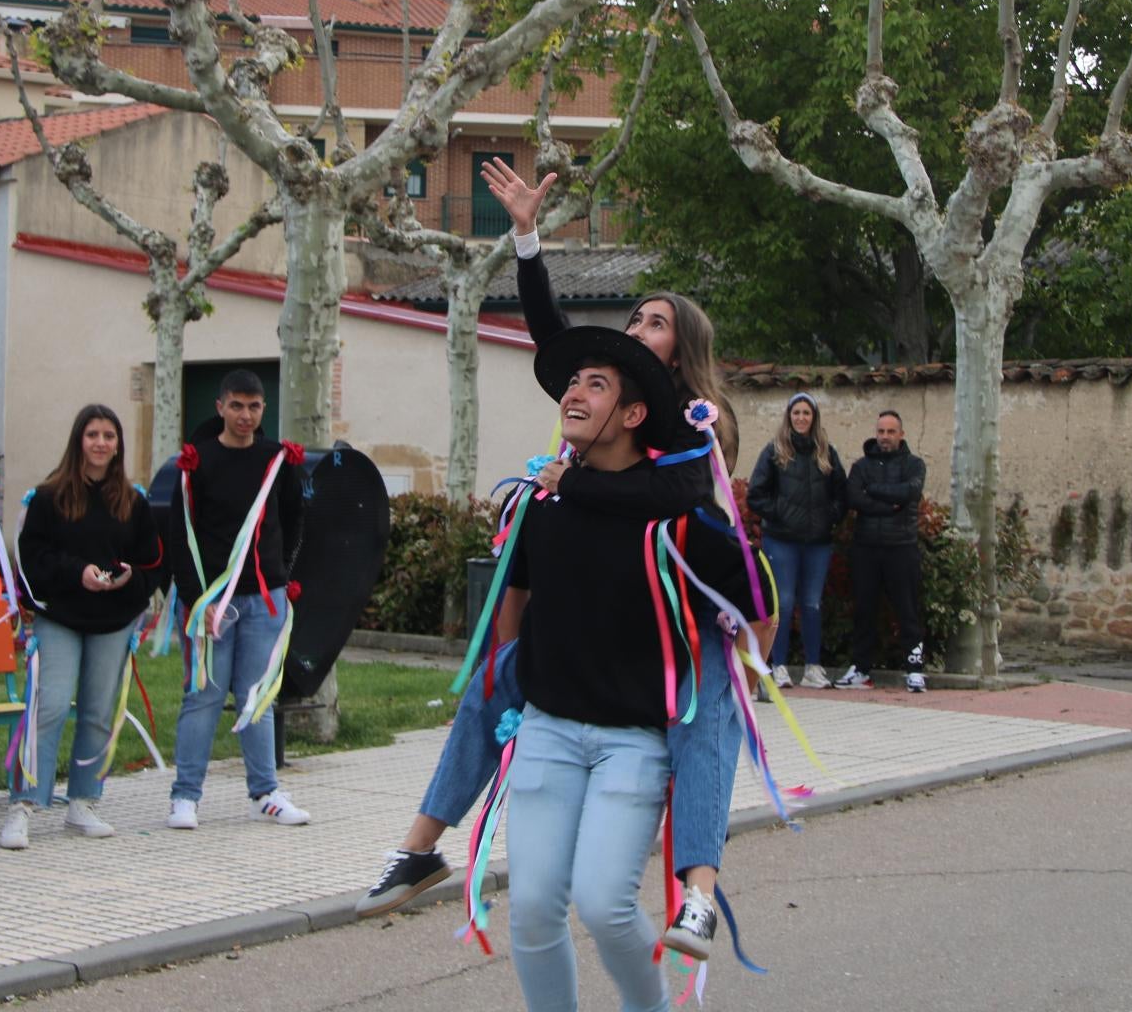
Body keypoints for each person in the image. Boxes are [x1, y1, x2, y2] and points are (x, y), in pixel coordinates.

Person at [358, 162, 749, 962]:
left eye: (653, 323)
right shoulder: (598, 408)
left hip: (687, 609)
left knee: (705, 723)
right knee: (496, 679)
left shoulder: (702, 422)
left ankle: (699, 896)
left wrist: (568, 486)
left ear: (682, 350)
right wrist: (527, 239)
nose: (636, 328)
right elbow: (551, 335)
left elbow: (673, 505)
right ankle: (420, 845)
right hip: (597, 600)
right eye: (634, 318)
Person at [502, 326, 775, 1012]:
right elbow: (515, 597)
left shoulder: (680, 521)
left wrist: (733, 690)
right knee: (532, 906)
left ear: (631, 416)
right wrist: (505, 685)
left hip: (633, 741)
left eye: (596, 384)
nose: (573, 391)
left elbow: (758, 602)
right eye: (571, 382)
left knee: (602, 902)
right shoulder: (542, 502)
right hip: (547, 733)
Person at [0, 405, 164, 850]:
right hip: (61, 617)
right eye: (93, 434)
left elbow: (153, 562)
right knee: (50, 705)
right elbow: (32, 560)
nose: (101, 443)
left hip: (113, 621)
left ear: (118, 445)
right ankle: (23, 804)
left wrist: (130, 580)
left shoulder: (134, 501)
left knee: (98, 710)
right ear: (78, 441)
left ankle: (84, 801)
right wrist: (79, 573)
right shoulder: (49, 497)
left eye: (109, 436)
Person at [165, 370, 311, 829]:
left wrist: (280, 576)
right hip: (213, 603)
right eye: (237, 406)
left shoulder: (277, 461)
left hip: (264, 601)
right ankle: (185, 796)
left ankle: (265, 792)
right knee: (203, 697)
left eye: (254, 407)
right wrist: (195, 599)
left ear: (263, 410)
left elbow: (292, 519)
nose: (245, 416)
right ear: (220, 407)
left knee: (257, 697)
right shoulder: (198, 462)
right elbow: (179, 535)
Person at [746, 392, 847, 690]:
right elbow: (756, 494)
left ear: (814, 417)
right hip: (782, 540)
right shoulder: (775, 452)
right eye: (796, 413)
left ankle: (813, 667)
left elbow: (842, 495)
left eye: (806, 413)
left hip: (818, 542)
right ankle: (778, 666)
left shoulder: (827, 452)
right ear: (789, 416)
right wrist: (781, 514)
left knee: (812, 603)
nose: (801, 418)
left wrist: (829, 518)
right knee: (784, 603)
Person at [838, 410, 928, 692]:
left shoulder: (915, 465)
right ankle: (861, 669)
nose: (885, 437)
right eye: (881, 432)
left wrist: (873, 491)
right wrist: (887, 504)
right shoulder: (862, 466)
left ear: (901, 435)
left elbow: (910, 493)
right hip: (866, 548)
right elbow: (854, 497)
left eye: (891, 432)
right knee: (864, 611)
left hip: (902, 548)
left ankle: (914, 669)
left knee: (908, 611)